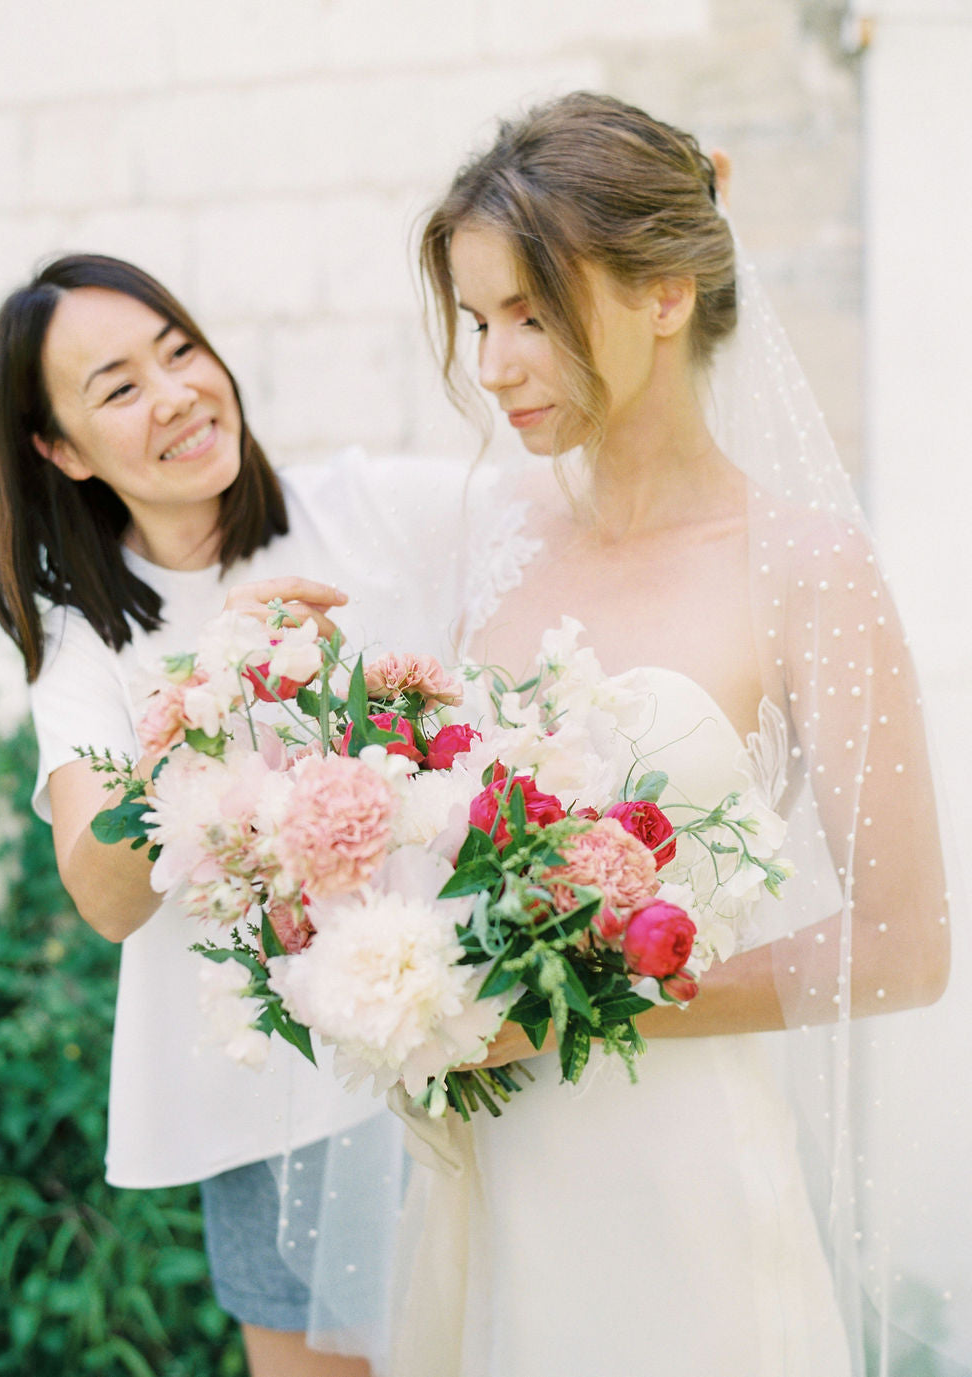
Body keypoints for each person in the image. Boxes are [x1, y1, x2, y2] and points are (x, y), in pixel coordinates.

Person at [390, 92, 961, 1375]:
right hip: (492, 1162)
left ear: (663, 294)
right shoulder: (496, 535)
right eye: (479, 322)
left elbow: (906, 948)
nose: (492, 367)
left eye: (530, 315)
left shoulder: (806, 570)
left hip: (680, 1186)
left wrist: (575, 1010)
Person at [0, 254, 463, 1377]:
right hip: (273, 1116)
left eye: (180, 349)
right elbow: (101, 895)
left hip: (465, 1047)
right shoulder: (82, 639)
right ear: (59, 449)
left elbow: (570, 492)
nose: (178, 393)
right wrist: (209, 691)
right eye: (117, 387)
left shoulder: (363, 511)